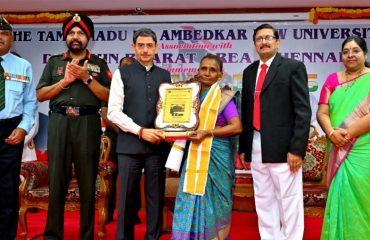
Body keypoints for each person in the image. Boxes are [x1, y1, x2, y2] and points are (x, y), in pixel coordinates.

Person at [36, 13, 111, 239]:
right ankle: (52, 235)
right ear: (65, 37)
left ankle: (86, 235)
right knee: (56, 180)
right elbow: (40, 94)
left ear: (89, 38)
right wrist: (64, 82)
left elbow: (108, 96)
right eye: (71, 33)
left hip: (88, 123)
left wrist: (87, 78)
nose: (75, 37)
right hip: (59, 123)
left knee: (88, 182)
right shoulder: (54, 62)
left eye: (80, 33)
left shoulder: (99, 64)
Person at [238, 23, 311, 240]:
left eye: (269, 37)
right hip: (256, 144)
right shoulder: (249, 72)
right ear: (254, 44)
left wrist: (296, 149)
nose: (264, 41)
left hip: (284, 147)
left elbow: (303, 111)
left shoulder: (293, 67)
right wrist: (244, 148)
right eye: (259, 38)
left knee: (289, 199)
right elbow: (247, 111)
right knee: (263, 198)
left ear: (278, 42)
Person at [107, 28, 171, 240]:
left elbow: (168, 111)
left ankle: (153, 237)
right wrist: (140, 131)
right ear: (133, 47)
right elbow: (113, 112)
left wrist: (172, 127)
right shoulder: (122, 73)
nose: (145, 50)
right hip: (129, 146)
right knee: (126, 199)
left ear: (157, 48)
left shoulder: (165, 75)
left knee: (155, 199)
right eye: (140, 45)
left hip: (156, 147)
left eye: (149, 45)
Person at [170, 53, 242, 239]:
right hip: (194, 154)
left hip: (217, 157)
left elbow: (236, 126)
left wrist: (207, 132)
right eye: (204, 68)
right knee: (188, 197)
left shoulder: (224, 97)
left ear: (220, 73)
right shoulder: (189, 95)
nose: (207, 73)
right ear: (198, 70)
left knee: (218, 201)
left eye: (212, 70)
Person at [318, 36, 370, 240]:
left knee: (363, 194)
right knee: (340, 195)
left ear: (364, 54)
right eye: (346, 51)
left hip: (363, 148)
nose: (350, 55)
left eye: (355, 50)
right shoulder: (332, 79)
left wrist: (345, 135)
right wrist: (332, 133)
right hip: (337, 145)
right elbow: (322, 112)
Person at [0, 16, 37, 240]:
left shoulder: (23, 66)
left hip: (10, 133)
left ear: (11, 38)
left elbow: (30, 103)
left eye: (3, 34)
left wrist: (23, 129)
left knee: (6, 191)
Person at [100, 56, 140, 224]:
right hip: (114, 138)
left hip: (134, 138)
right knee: (109, 176)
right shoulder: (110, 88)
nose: (127, 70)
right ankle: (108, 213)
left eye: (130, 67)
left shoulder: (139, 88)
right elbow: (104, 112)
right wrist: (125, 131)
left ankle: (133, 214)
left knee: (134, 177)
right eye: (124, 67)